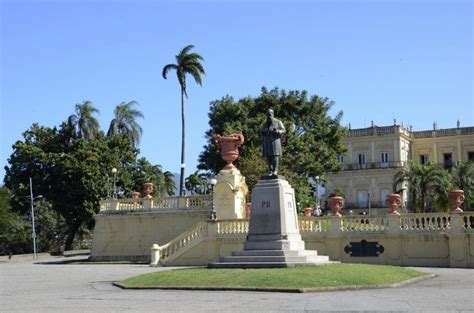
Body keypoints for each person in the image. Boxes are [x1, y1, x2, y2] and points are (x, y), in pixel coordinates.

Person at [261, 109, 285, 176]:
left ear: (273, 114)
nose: (269, 116)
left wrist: (277, 131)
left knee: (275, 156)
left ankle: (275, 171)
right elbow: (262, 131)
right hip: (267, 141)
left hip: (275, 141)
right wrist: (263, 131)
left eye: (270, 114)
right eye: (268, 114)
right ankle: (270, 171)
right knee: (269, 156)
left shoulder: (278, 121)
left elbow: (283, 130)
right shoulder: (265, 123)